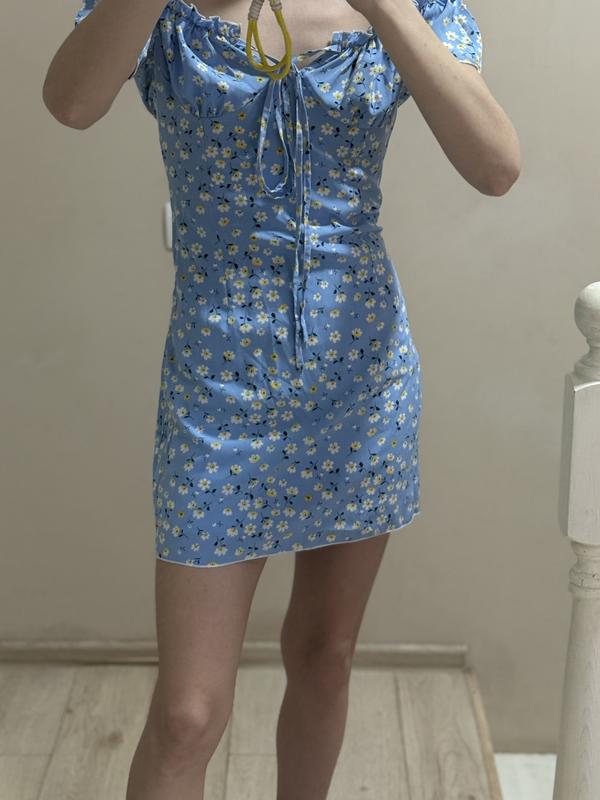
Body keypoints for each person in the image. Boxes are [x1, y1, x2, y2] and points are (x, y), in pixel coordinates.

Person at [43, 1, 520, 797]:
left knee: (325, 655)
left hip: (360, 379)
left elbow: (497, 165)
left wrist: (385, 8)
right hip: (215, 388)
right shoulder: (171, 16)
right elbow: (70, 101)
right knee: (188, 715)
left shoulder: (414, 10)